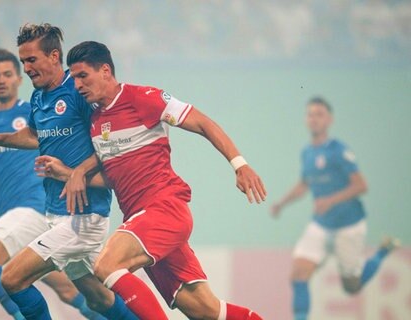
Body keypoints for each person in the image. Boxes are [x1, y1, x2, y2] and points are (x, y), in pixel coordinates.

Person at [36, 40, 266, 320]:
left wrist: (239, 164)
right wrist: (69, 174)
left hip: (164, 210)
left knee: (107, 265)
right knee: (205, 310)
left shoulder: (143, 98)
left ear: (106, 70)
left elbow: (203, 123)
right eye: (74, 78)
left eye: (83, 76)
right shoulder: (96, 121)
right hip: (143, 222)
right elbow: (116, 177)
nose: (77, 85)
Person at [0, 24, 137, 320]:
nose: (27, 68)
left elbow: (109, 143)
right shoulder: (39, 97)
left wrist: (74, 172)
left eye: (31, 60)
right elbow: (35, 136)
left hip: (85, 216)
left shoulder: (79, 90)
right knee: (97, 298)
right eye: (23, 62)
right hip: (56, 214)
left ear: (54, 56)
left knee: (11, 278)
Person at [0, 48, 104, 320]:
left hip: (33, 209)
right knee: (70, 290)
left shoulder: (34, 109)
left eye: (7, 74)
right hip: (19, 218)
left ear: (18, 79)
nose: (1, 80)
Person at [270, 97, 399, 320]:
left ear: (329, 120)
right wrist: (281, 203)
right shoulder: (307, 153)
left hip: (348, 225)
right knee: (298, 275)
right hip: (321, 225)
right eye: (310, 114)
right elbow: (304, 185)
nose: (314, 119)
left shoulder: (339, 150)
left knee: (352, 287)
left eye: (319, 114)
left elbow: (361, 185)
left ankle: (382, 252)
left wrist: (330, 200)